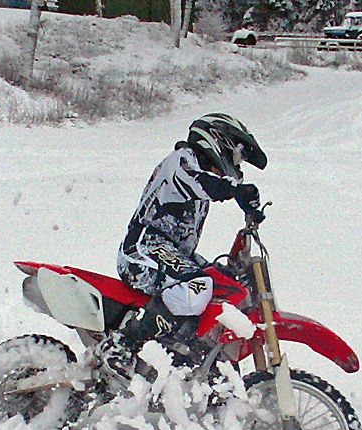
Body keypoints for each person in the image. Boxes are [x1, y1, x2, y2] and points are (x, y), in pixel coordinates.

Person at [97, 113, 268, 378]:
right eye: (237, 157)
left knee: (221, 282)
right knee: (199, 286)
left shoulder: (198, 174)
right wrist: (236, 190)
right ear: (219, 141)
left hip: (171, 253)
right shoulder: (181, 161)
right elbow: (202, 183)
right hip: (142, 249)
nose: (237, 166)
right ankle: (123, 346)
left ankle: (192, 355)